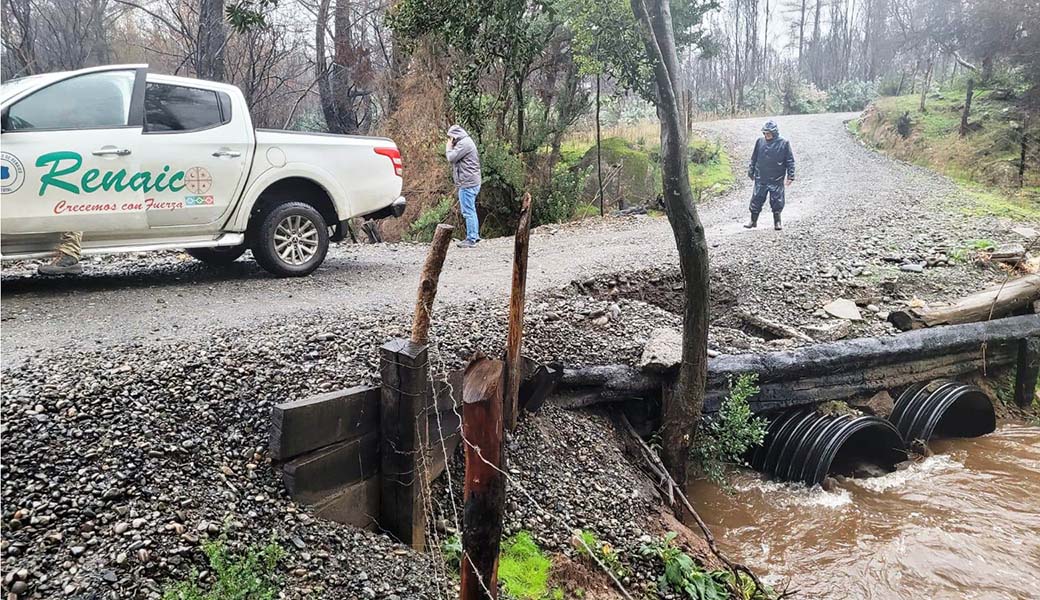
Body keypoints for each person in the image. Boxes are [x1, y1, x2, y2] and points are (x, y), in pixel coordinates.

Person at [744, 120, 795, 231]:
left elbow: (790, 160)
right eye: (765, 133)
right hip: (761, 177)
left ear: (774, 133)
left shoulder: (784, 143)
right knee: (756, 199)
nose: (767, 135)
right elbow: (754, 158)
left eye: (769, 133)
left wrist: (790, 176)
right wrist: (751, 171)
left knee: (777, 201)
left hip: (776, 178)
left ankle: (777, 221)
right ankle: (753, 221)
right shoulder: (760, 142)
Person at [445, 125, 482, 248]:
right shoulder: (467, 141)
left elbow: (451, 158)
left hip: (468, 183)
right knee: (471, 210)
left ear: (455, 136)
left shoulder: (464, 144)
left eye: (450, 137)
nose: (450, 140)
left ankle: (471, 239)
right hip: (472, 181)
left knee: (468, 211)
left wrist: (448, 147)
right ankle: (474, 236)